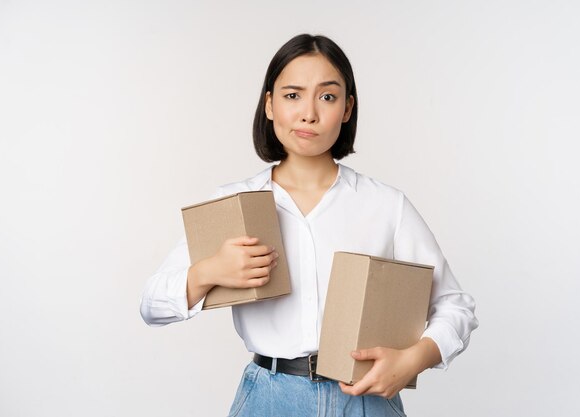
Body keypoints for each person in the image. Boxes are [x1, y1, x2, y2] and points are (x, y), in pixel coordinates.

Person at [140, 33, 478, 417]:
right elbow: (151, 306)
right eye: (292, 95)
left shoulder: (386, 205)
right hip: (269, 398)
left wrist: (414, 359)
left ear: (348, 108)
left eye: (328, 96)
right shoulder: (235, 205)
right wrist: (208, 272)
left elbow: (456, 306)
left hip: (366, 399)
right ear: (269, 105)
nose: (309, 113)